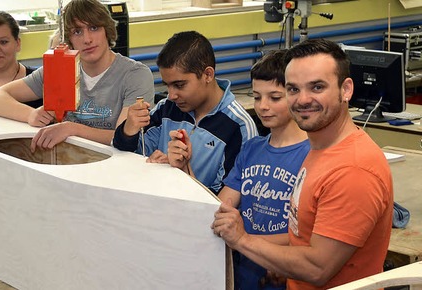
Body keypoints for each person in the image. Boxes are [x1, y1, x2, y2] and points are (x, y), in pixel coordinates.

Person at [212, 39, 393, 289]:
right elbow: (302, 240)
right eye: (293, 89)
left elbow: (317, 267)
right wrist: (283, 264)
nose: (303, 99)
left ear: (346, 89)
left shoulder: (353, 169)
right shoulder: (321, 149)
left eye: (317, 87)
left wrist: (243, 240)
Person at [0, 0, 154, 152]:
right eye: (77, 32)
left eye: (94, 28)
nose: (87, 39)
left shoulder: (135, 75)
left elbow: (121, 138)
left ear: (107, 31)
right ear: (68, 39)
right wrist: (30, 114)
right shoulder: (59, 69)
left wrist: (71, 128)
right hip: (70, 163)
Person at [113, 31, 258, 193]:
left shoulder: (238, 126)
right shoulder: (166, 109)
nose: (172, 95)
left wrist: (180, 173)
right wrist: (128, 130)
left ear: (208, 75)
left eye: (179, 85)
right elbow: (129, 154)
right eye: (167, 85)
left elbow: (227, 201)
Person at [216, 50, 309, 290]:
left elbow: (310, 234)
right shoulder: (251, 149)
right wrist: (184, 169)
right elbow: (220, 207)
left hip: (285, 275)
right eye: (257, 97)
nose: (263, 106)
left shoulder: (312, 154)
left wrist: (245, 242)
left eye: (274, 98)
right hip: (244, 274)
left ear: (295, 95)